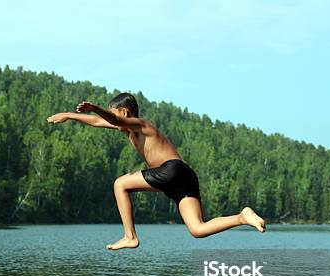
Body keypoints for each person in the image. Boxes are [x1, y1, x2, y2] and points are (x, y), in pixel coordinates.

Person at [47, 92, 265, 250]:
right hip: (184, 176)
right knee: (198, 229)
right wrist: (68, 115)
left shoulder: (142, 125)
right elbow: (98, 121)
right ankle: (242, 217)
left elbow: (109, 119)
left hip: (171, 170)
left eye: (114, 115)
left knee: (120, 184)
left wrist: (95, 107)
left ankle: (129, 236)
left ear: (124, 112)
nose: (111, 121)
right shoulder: (128, 129)